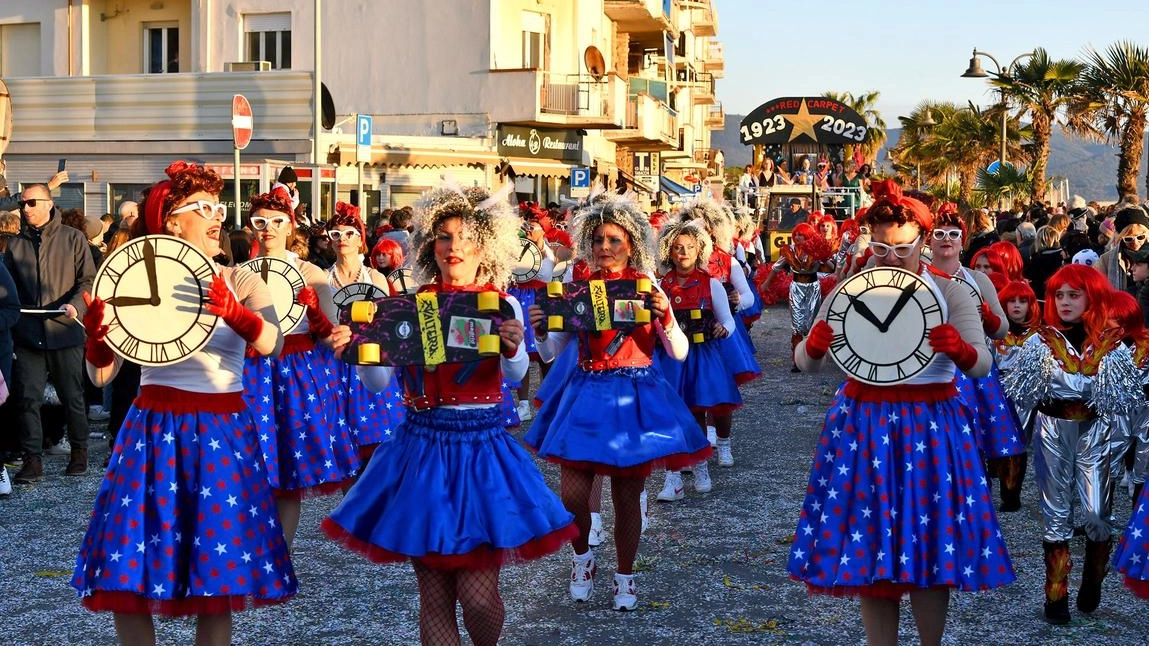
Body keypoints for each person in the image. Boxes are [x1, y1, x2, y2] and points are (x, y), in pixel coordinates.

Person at [323, 184, 575, 646]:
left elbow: (515, 372)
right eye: (443, 236)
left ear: (484, 245)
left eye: (463, 236)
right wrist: (357, 352)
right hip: (420, 447)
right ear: (429, 247)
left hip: (482, 449)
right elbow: (379, 384)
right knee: (434, 597)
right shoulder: (403, 307)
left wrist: (513, 345)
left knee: (480, 598)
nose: (453, 244)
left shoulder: (501, 303)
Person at [71, 161, 295, 645]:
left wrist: (238, 315)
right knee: (126, 566)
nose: (218, 215)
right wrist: (96, 343)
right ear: (172, 221)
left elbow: (273, 343)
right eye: (204, 207)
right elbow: (101, 376)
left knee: (218, 574)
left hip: (220, 431)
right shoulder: (133, 280)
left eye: (219, 206)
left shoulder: (242, 280)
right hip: (153, 430)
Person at [790, 180, 1015, 646]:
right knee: (870, 549)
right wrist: (810, 347)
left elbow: (984, 361)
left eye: (901, 246)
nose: (889, 256)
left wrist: (963, 352)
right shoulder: (847, 290)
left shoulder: (951, 293)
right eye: (878, 246)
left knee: (932, 550)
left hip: (929, 427)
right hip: (864, 426)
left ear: (924, 240)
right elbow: (806, 363)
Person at [525, 193, 711, 611]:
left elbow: (678, 351)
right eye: (598, 240)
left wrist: (665, 316)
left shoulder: (649, 287)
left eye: (614, 240)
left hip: (634, 394)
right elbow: (554, 350)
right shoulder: (576, 289)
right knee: (572, 493)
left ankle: (625, 576)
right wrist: (538, 332)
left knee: (627, 496)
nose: (605, 247)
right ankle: (582, 558)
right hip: (586, 391)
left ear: (632, 245)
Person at [1003, 264, 1140, 624]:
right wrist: (1011, 441)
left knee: (1097, 514)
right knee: (1056, 514)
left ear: (1091, 297)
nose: (1064, 302)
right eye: (1059, 294)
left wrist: (1125, 448)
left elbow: (1125, 404)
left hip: (1096, 432)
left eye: (1073, 295)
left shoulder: (1112, 344)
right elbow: (1022, 399)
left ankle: (1093, 579)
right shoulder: (1039, 341)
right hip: (1052, 431)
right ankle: (1056, 593)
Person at [243, 189, 359, 552]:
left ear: (291, 225)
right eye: (260, 222)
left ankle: (281, 554)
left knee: (289, 470)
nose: (268, 229)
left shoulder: (309, 273)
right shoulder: (239, 272)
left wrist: (315, 316)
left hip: (294, 375)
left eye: (277, 222)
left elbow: (330, 336)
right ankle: (252, 549)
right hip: (249, 372)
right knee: (249, 463)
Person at [926, 210, 1026, 512]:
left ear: (962, 241)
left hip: (975, 367)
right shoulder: (917, 275)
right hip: (932, 369)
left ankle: (982, 495)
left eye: (953, 234)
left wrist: (990, 318)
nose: (946, 240)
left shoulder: (978, 278)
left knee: (985, 435)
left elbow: (1002, 329)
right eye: (939, 233)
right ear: (928, 240)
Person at [5, 184, 96, 483]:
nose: (25, 208)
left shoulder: (73, 238)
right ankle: (33, 459)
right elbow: (8, 289)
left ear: (48, 203)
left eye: (31, 202)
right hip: (29, 333)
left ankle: (79, 451)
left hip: (65, 331)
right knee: (28, 397)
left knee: (72, 396)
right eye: (22, 203)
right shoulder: (15, 245)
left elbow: (87, 281)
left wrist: (74, 307)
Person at [651, 219, 738, 500]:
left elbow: (728, 320)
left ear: (699, 249)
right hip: (670, 358)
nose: (683, 253)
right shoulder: (661, 285)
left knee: (697, 413)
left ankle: (700, 467)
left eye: (689, 247)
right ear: (669, 251)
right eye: (677, 248)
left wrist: (723, 329)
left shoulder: (711, 284)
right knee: (669, 415)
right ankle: (672, 477)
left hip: (701, 357)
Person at [325, 201, 404, 463]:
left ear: (360, 240)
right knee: (344, 450)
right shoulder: (322, 279)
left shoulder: (376, 278)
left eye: (349, 233)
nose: (342, 239)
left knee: (379, 447)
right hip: (334, 366)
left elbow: (388, 325)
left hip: (371, 360)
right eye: (335, 234)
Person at [761, 223, 833, 372]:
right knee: (797, 325)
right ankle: (796, 360)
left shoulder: (815, 250)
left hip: (813, 288)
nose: (799, 237)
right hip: (796, 288)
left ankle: (811, 358)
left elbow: (831, 268)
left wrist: (824, 258)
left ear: (808, 236)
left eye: (802, 234)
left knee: (812, 322)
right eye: (797, 234)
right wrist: (766, 283)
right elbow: (776, 268)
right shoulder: (788, 251)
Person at [1097, 206, 1149, 295]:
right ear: (1119, 237)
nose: (1136, 243)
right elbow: (1097, 291)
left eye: (1140, 237)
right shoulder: (1106, 260)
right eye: (1129, 239)